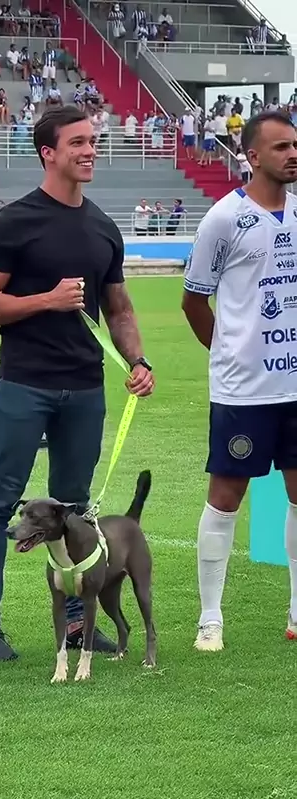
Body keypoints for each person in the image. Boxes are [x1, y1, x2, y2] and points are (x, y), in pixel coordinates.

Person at [0, 105, 155, 660]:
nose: (90, 150)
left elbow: (118, 308)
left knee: (74, 509)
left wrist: (137, 360)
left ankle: (77, 621)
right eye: (77, 143)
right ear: (48, 152)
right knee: (0, 502)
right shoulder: (15, 222)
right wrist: (46, 299)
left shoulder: (102, 227)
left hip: (85, 389)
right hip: (24, 385)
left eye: (92, 141)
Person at [182, 111, 297, 652]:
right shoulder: (224, 218)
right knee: (226, 497)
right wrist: (230, 352)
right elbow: (193, 301)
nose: (292, 154)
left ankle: (296, 610)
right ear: (252, 156)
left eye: (294, 145)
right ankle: (210, 618)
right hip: (244, 390)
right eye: (280, 147)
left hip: (294, 386)